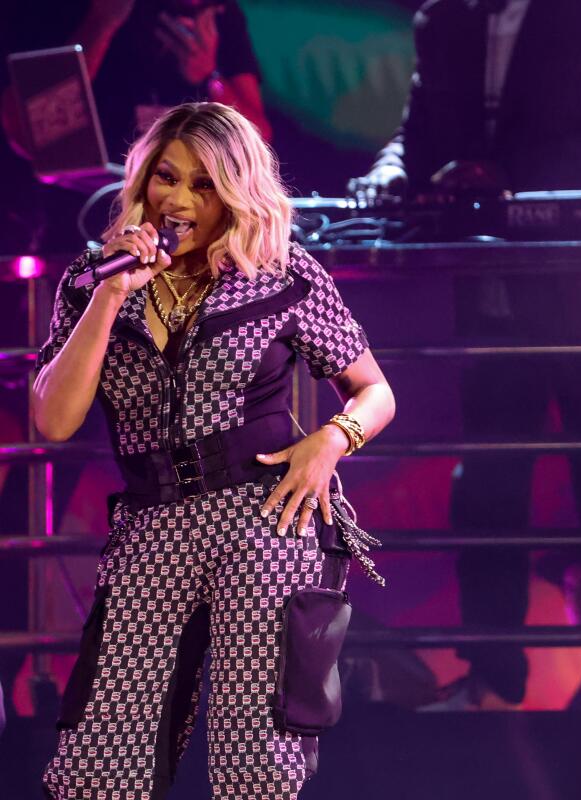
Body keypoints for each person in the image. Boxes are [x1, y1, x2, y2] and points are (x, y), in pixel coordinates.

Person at [34, 102, 394, 798]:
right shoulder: (91, 280)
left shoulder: (282, 273)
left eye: (203, 185)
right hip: (152, 522)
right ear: (141, 179)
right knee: (100, 767)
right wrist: (111, 297)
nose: (178, 199)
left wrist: (330, 440)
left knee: (254, 766)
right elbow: (53, 419)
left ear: (235, 193)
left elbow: (375, 390)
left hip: (265, 518)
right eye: (166, 176)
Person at [347, 0, 581, 709]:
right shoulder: (444, 20)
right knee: (487, 493)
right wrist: (390, 173)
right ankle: (492, 682)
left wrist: (501, 177)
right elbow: (416, 137)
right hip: (497, 296)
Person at [2, 0, 271, 161]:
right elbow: (28, 132)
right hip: (84, 205)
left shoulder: (219, 15)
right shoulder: (65, 9)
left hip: (181, 203)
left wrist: (210, 78)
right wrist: (101, 25)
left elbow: (258, 139)